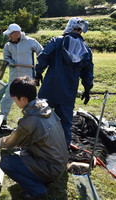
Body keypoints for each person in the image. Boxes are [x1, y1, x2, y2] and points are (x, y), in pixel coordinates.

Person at [0, 76, 69, 200]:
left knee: (6, 162)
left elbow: (10, 143)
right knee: (20, 153)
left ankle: (37, 190)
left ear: (23, 99)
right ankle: (42, 178)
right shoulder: (44, 107)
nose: (14, 102)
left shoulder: (30, 120)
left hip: (51, 168)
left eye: (15, 99)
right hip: (59, 163)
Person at [35, 17, 94, 148]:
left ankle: (34, 148)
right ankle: (63, 153)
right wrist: (87, 88)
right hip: (68, 91)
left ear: (69, 26)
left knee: (39, 117)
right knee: (65, 124)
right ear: (81, 30)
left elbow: (43, 57)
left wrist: (38, 73)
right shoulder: (85, 49)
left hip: (50, 88)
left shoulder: (57, 41)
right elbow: (88, 71)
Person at [0, 23, 43, 127]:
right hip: (14, 75)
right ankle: (2, 120)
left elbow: (42, 52)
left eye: (10, 34)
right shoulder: (8, 45)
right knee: (8, 97)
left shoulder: (31, 42)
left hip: (28, 75)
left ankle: (33, 120)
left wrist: (39, 65)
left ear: (18, 33)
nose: (9, 36)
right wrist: (10, 62)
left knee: (30, 98)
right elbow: (6, 57)